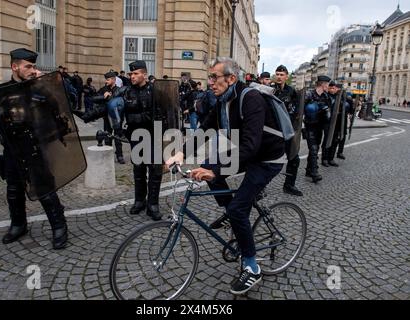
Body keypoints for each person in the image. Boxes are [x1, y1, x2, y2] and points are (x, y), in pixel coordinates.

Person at [166, 57, 286, 295]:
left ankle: (252, 268)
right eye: (209, 77)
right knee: (209, 165)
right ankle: (232, 214)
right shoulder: (223, 100)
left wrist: (215, 171)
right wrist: (180, 154)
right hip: (247, 153)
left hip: (266, 159)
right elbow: (205, 130)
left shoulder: (249, 99)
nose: (210, 82)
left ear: (231, 79)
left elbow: (251, 146)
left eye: (214, 77)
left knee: (236, 206)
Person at [0, 48, 68, 249]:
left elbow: (59, 107)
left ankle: (59, 226)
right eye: (28, 66)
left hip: (35, 147)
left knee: (45, 189)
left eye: (34, 66)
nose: (32, 69)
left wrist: (45, 85)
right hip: (12, 150)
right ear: (15, 67)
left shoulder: (38, 89)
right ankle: (18, 224)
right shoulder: (0, 92)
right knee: (13, 189)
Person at [124, 61, 164, 221]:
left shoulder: (155, 91)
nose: (132, 76)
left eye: (135, 74)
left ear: (144, 74)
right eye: (131, 74)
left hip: (153, 136)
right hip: (136, 137)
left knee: (155, 171)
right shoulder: (127, 91)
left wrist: (133, 119)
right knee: (138, 170)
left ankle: (152, 204)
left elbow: (158, 115)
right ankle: (139, 201)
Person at [273, 65, 303, 196]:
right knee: (267, 160)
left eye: (281, 74)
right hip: (272, 130)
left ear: (286, 76)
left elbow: (297, 109)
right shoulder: (270, 90)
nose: (279, 77)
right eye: (277, 74)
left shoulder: (292, 91)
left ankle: (289, 185)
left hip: (287, 129)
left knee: (294, 158)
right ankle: (259, 188)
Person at [304, 75, 331, 183]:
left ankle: (308, 170)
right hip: (310, 125)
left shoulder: (326, 96)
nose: (328, 87)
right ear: (323, 84)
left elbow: (328, 112)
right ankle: (315, 173)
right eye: (328, 85)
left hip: (320, 126)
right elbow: (301, 109)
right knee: (314, 149)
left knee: (314, 149)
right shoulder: (309, 95)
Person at [98, 71, 125, 164]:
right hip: (107, 117)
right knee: (107, 136)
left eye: (108, 79)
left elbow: (122, 103)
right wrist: (103, 96)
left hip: (117, 117)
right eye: (106, 79)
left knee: (118, 136)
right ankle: (108, 155)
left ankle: (120, 155)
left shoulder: (119, 90)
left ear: (113, 80)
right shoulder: (103, 89)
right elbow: (95, 98)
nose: (106, 81)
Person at [322, 81, 342, 168]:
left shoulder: (339, 97)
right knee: (327, 140)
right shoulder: (326, 97)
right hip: (327, 122)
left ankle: (331, 158)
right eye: (330, 88)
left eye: (333, 88)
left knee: (334, 141)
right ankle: (324, 158)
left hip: (336, 122)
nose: (332, 90)